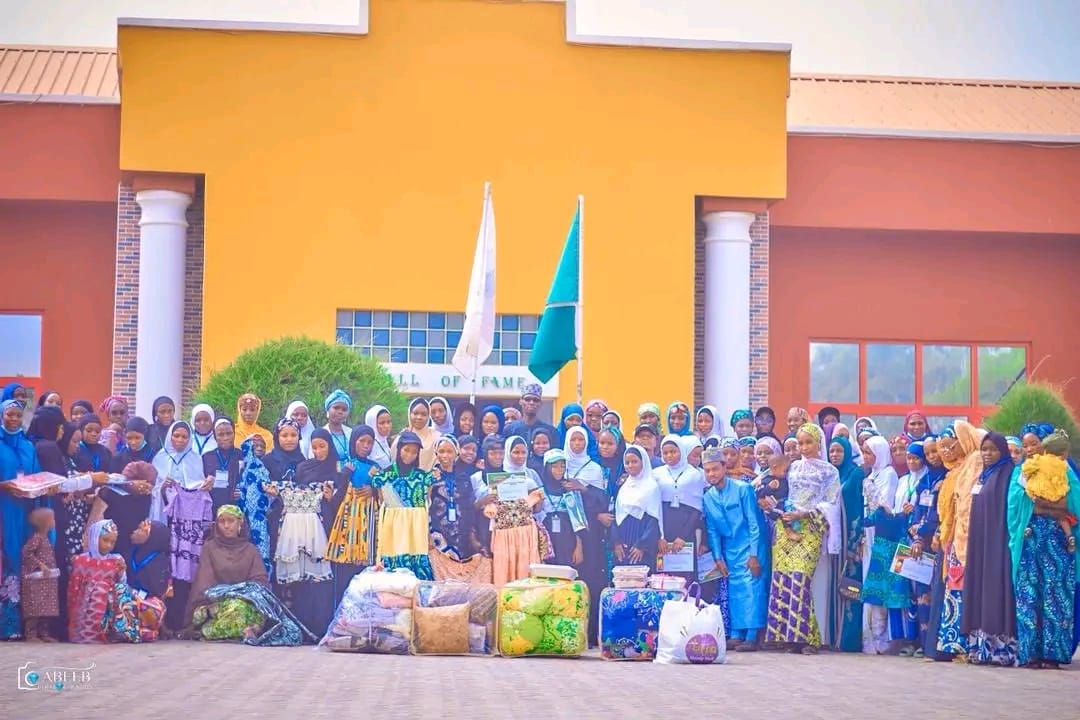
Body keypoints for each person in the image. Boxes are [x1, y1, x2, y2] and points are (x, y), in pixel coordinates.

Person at [184, 505, 311, 645]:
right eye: (222, 521)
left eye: (231, 521)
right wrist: (223, 598)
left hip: (246, 603)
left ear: (240, 523)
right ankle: (239, 631)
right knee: (231, 610)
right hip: (215, 605)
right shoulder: (210, 548)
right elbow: (205, 583)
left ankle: (240, 630)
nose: (226, 526)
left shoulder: (251, 550)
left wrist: (242, 594)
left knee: (246, 610)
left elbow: (260, 583)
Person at [764, 423, 839, 654]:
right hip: (786, 527)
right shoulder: (793, 466)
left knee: (800, 579)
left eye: (809, 442)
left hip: (810, 528)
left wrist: (804, 513)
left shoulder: (829, 471)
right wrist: (773, 505)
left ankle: (810, 638)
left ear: (819, 443)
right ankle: (787, 637)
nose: (804, 448)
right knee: (782, 580)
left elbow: (831, 503)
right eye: (800, 443)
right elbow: (776, 487)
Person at [1008, 431, 1080, 668]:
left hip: (1057, 542)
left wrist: (1043, 506)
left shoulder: (1064, 470)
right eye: (1025, 445)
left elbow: (1072, 503)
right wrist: (1051, 508)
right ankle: (1030, 653)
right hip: (1029, 540)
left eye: (1034, 444)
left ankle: (1053, 654)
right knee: (1029, 594)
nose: (1029, 449)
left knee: (1056, 593)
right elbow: (1016, 504)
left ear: (1045, 445)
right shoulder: (1022, 471)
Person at [961, 432, 1018, 666]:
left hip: (998, 544)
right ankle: (980, 648)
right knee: (979, 589)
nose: (987, 453)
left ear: (1002, 451)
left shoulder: (1008, 474)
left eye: (993, 449)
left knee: (995, 590)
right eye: (984, 449)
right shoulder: (984, 475)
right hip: (980, 544)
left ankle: (1000, 650)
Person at [701, 445, 766, 651]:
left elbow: (754, 523)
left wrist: (754, 554)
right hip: (730, 549)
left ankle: (752, 635)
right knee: (735, 589)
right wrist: (718, 557)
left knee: (752, 587)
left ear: (724, 467)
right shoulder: (708, 497)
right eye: (707, 470)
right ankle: (738, 633)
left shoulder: (742, 489)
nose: (712, 474)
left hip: (751, 545)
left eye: (715, 469)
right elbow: (712, 529)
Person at [933, 420, 985, 659]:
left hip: (965, 537)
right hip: (952, 538)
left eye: (950, 445)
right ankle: (952, 644)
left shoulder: (974, 463)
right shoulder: (953, 470)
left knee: (962, 588)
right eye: (942, 447)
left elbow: (966, 506)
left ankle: (963, 644)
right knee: (953, 589)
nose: (945, 451)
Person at [277, 428, 336, 637]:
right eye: (315, 447)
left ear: (330, 446)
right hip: (304, 527)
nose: (318, 451)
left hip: (327, 525)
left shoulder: (336, 468)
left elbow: (340, 501)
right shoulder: (304, 467)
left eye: (322, 447)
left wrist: (332, 498)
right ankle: (304, 626)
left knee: (322, 577)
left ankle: (321, 626)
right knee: (302, 575)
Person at [862, 440, 919, 655]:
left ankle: (900, 638)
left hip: (893, 538)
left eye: (870, 453)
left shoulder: (890, 475)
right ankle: (879, 638)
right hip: (876, 537)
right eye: (864, 452)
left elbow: (885, 506)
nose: (866, 457)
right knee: (879, 589)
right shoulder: (875, 477)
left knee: (895, 589)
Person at [157, 421, 214, 630]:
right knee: (168, 569)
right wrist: (162, 489)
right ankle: (164, 621)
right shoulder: (160, 458)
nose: (180, 440)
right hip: (167, 521)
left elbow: (199, 487)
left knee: (185, 572)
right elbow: (153, 489)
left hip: (188, 528)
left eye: (184, 436)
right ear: (170, 437)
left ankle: (182, 621)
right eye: (176, 436)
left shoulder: (194, 459)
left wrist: (204, 485)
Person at [0, 398, 45, 639]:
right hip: (3, 509)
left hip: (24, 510)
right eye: (10, 415)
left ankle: (17, 626)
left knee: (21, 558)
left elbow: (35, 476)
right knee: (5, 557)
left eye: (18, 415)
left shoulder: (28, 447)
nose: (14, 419)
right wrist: (4, 485)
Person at [561, 425, 609, 641]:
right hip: (565, 532)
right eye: (573, 440)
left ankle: (589, 632)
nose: (577, 444)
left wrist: (584, 489)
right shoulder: (561, 466)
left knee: (590, 578)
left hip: (590, 531)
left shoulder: (594, 469)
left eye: (581, 440)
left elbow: (602, 501)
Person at [476, 435, 543, 587]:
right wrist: (482, 502)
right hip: (485, 533)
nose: (497, 457)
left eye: (500, 453)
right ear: (485, 454)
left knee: (516, 575)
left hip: (514, 536)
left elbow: (535, 509)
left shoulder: (515, 479)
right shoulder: (476, 478)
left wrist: (536, 500)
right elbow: (469, 509)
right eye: (493, 453)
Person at [373, 431, 436, 579]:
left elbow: (427, 502)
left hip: (416, 528)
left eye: (414, 452)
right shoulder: (384, 475)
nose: (410, 455)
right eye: (406, 450)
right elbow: (381, 502)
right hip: (393, 527)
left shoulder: (423, 477)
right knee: (393, 570)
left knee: (417, 566)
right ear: (399, 449)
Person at [326, 425, 380, 597]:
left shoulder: (375, 468)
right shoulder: (343, 464)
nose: (366, 446)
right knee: (344, 570)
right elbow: (335, 495)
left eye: (370, 442)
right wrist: (344, 475)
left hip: (368, 521)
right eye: (362, 441)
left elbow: (384, 494)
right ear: (353, 441)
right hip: (346, 521)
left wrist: (373, 490)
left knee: (365, 571)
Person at [428, 435, 490, 583]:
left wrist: (472, 535)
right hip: (438, 532)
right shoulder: (430, 477)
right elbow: (425, 506)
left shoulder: (463, 477)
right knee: (441, 572)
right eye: (441, 451)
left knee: (461, 573)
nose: (445, 456)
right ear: (436, 453)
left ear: (456, 453)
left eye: (449, 451)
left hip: (462, 532)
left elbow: (469, 507)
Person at [654, 434, 707, 588]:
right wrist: (660, 536)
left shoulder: (694, 474)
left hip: (686, 528)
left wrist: (683, 536)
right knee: (663, 574)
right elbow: (653, 507)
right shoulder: (656, 473)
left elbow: (697, 509)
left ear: (682, 452)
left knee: (685, 576)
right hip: (663, 528)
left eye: (673, 451)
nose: (669, 456)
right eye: (665, 452)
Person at [828, 435, 866, 653]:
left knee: (851, 587)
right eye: (831, 451)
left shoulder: (856, 473)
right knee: (836, 586)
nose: (834, 455)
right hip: (834, 541)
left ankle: (849, 640)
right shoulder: (830, 475)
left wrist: (856, 539)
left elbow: (860, 506)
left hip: (851, 539)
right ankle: (834, 636)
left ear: (847, 452)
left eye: (839, 451)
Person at [67, 519, 128, 643]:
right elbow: (74, 587)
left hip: (109, 604)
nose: (109, 545)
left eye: (112, 542)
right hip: (85, 603)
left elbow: (123, 584)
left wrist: (121, 572)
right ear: (94, 538)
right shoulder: (82, 559)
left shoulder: (116, 559)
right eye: (105, 540)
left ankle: (112, 631)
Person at [915, 434, 946, 658]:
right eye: (928, 453)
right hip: (921, 544)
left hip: (938, 542)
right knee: (921, 596)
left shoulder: (948, 477)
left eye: (935, 451)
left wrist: (930, 532)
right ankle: (924, 643)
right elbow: (918, 510)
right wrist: (916, 534)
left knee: (937, 593)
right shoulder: (923, 481)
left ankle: (937, 645)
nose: (932, 456)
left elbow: (942, 514)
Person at [612, 445, 663, 571]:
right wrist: (616, 542)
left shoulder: (651, 487)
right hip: (623, 541)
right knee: (622, 577)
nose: (630, 465)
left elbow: (654, 519)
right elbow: (616, 515)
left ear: (643, 462)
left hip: (642, 539)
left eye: (634, 461)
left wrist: (642, 545)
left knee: (642, 575)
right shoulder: (623, 487)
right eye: (627, 462)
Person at [537, 448, 586, 568]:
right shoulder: (540, 491)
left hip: (567, 539)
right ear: (547, 468)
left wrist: (579, 547)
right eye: (554, 466)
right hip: (547, 540)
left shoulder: (570, 490)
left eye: (562, 466)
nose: (559, 470)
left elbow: (578, 521)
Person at [126, 519, 171, 641]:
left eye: (141, 529)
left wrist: (140, 598)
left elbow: (159, 591)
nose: (135, 531)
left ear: (153, 537)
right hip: (129, 597)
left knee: (154, 608)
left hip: (148, 602)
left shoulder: (159, 560)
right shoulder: (131, 552)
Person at [235, 438, 274, 575]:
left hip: (259, 518)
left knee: (261, 552)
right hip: (242, 517)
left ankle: (261, 582)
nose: (259, 448)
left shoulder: (263, 468)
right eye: (255, 446)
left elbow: (269, 492)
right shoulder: (239, 466)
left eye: (262, 446)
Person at [21, 507, 59, 642]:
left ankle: (44, 633)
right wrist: (40, 564)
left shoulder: (46, 538)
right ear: (45, 522)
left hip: (46, 581)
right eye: (52, 519)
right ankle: (31, 634)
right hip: (36, 581)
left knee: (45, 608)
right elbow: (26, 553)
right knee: (35, 607)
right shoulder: (37, 538)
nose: (54, 521)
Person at [203, 417, 241, 513]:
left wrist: (244, 491)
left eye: (229, 433)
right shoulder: (206, 457)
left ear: (234, 433)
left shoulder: (242, 455)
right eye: (221, 434)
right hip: (211, 508)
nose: (225, 438)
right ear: (215, 436)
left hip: (236, 508)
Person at [392, 398, 441, 471]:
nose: (419, 417)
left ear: (428, 416)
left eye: (423, 414)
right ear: (409, 414)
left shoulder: (437, 437)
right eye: (415, 413)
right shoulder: (402, 437)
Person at [323, 389, 354, 467]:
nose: (340, 412)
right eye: (336, 408)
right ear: (328, 410)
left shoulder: (352, 433)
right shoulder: (320, 434)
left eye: (344, 409)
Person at [364, 404, 395, 470]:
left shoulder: (384, 441)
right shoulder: (368, 445)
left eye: (389, 422)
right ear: (372, 424)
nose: (387, 426)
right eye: (382, 423)